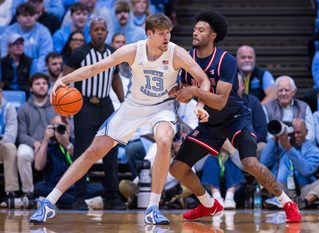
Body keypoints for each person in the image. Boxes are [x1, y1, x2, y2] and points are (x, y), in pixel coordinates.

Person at [29, 14, 210, 224]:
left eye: (168, 33)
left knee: (163, 140)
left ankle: (152, 207)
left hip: (162, 107)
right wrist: (64, 80)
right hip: (133, 106)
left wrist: (200, 104)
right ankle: (50, 202)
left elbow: (203, 79)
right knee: (92, 152)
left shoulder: (176, 52)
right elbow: (95, 68)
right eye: (161, 34)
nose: (166, 38)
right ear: (149, 34)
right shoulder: (132, 50)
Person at [168, 11, 301, 223]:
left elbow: (220, 100)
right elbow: (186, 92)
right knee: (177, 168)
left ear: (213, 35)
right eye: (194, 29)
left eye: (201, 30)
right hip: (210, 123)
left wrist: (193, 92)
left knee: (250, 163)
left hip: (235, 117)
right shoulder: (187, 58)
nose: (195, 32)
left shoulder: (225, 60)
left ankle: (287, 202)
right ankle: (209, 205)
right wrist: (179, 93)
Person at [58, 17, 125, 211]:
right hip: (84, 105)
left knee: (111, 152)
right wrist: (64, 112)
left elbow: (115, 77)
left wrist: (123, 103)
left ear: (107, 32)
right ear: (90, 31)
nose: (99, 32)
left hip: (106, 105)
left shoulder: (113, 53)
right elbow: (65, 81)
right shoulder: (79, 53)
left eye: (102, 29)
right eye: (96, 29)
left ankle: (113, 197)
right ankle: (78, 198)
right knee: (82, 152)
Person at [260, 119, 319, 209]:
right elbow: (263, 163)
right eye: (293, 133)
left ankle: (304, 202)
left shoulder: (314, 151)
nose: (295, 136)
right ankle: (282, 200)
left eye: (299, 133)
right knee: (263, 175)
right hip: (281, 187)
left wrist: (289, 148)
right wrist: (274, 138)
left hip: (303, 190)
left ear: (306, 132)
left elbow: (305, 170)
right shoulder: (280, 146)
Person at [34, 116, 103, 209]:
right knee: (39, 187)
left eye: (63, 126)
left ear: (69, 128)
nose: (60, 130)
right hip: (55, 187)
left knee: (100, 187)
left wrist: (67, 144)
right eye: (57, 127)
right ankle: (83, 203)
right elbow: (38, 166)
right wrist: (45, 140)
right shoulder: (48, 145)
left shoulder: (77, 143)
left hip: (77, 186)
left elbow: (85, 161)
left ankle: (54, 203)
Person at [17, 73, 57, 204]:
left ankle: (56, 193)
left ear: (48, 86)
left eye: (44, 84)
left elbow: (67, 128)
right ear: (30, 88)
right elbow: (21, 134)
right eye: (37, 84)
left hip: (53, 143)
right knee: (22, 153)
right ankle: (28, 192)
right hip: (31, 144)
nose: (41, 86)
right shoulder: (23, 109)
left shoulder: (56, 106)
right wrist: (34, 143)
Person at [0, 3, 53, 73]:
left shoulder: (44, 32)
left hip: (37, 70)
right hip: (12, 70)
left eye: (31, 15)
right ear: (18, 18)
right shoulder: (8, 33)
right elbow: (4, 54)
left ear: (36, 16)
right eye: (25, 15)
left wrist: (36, 71)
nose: (28, 18)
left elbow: (45, 55)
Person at [263, 76, 315, 143]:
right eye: (280, 90)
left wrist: (297, 142)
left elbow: (311, 132)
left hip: (300, 145)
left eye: (286, 90)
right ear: (276, 92)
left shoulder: (304, 107)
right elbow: (265, 132)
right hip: (275, 146)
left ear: (293, 92)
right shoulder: (267, 107)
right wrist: (280, 142)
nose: (283, 93)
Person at [0, 82, 20, 204]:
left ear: (1, 94)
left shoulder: (9, 108)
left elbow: (11, 135)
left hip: (2, 145)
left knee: (10, 147)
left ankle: (11, 191)